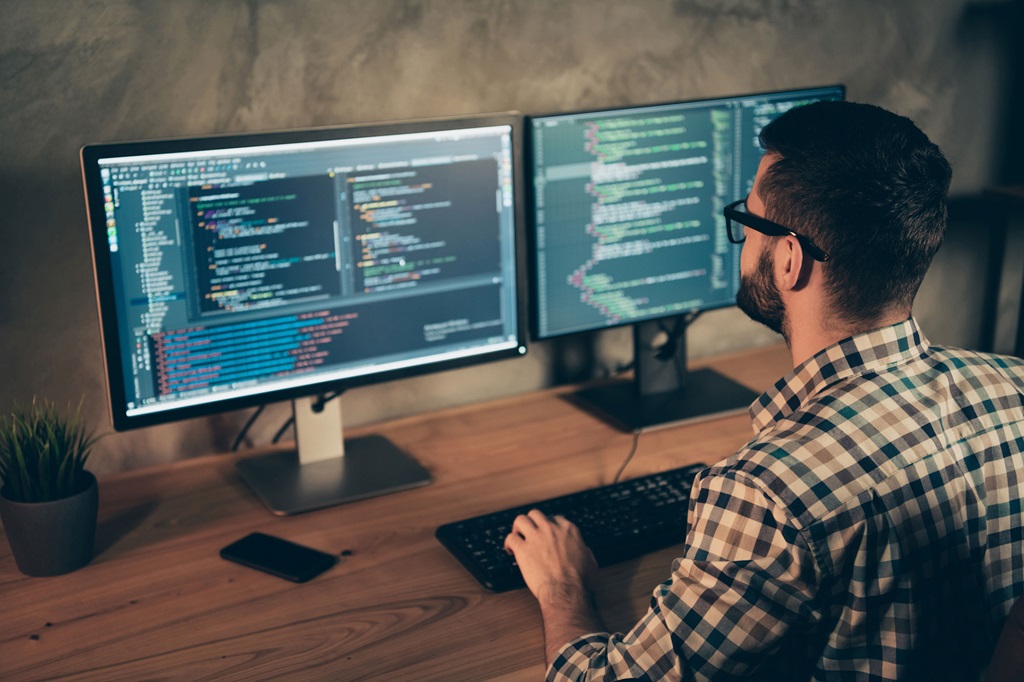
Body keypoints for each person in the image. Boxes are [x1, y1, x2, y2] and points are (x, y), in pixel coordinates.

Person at [504, 100, 1024, 681]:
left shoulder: (769, 493)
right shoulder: (1014, 388)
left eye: (748, 222)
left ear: (789, 260)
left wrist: (562, 585)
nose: (743, 239)